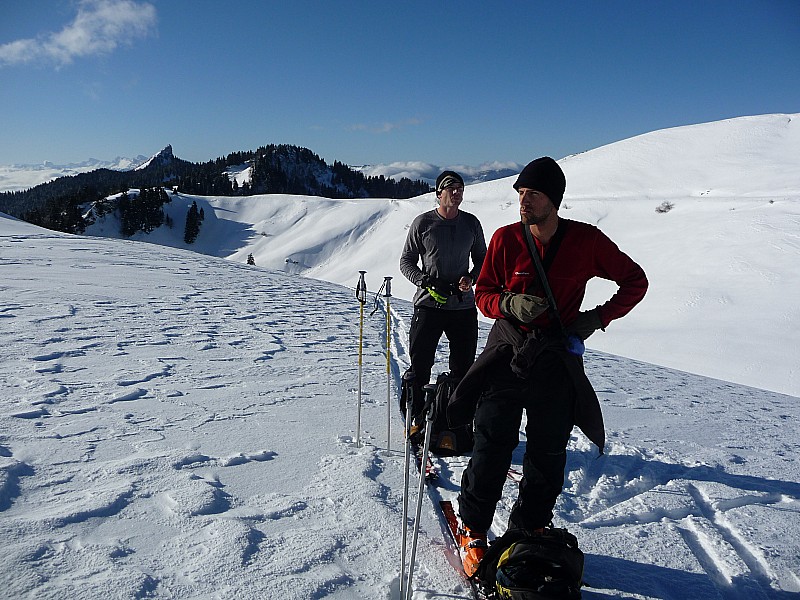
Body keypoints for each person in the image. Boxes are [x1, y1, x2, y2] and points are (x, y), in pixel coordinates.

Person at [447, 157, 648, 577]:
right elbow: (483, 293)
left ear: (554, 200)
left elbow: (635, 281)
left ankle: (529, 528)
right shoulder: (505, 240)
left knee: (547, 454)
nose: (524, 201)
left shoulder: (586, 241)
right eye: (520, 193)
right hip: (507, 354)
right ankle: (473, 527)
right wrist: (506, 303)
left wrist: (596, 318)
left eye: (533, 194)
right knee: (491, 444)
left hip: (555, 358)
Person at [399, 170, 487, 436]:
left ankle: (456, 423)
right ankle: (416, 421)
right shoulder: (423, 223)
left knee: (463, 367)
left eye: (460, 188)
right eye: (451, 188)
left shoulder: (471, 223)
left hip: (462, 306)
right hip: (429, 305)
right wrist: (425, 281)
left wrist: (470, 279)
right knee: (420, 365)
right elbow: (406, 262)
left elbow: (483, 260)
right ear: (439, 193)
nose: (457, 193)